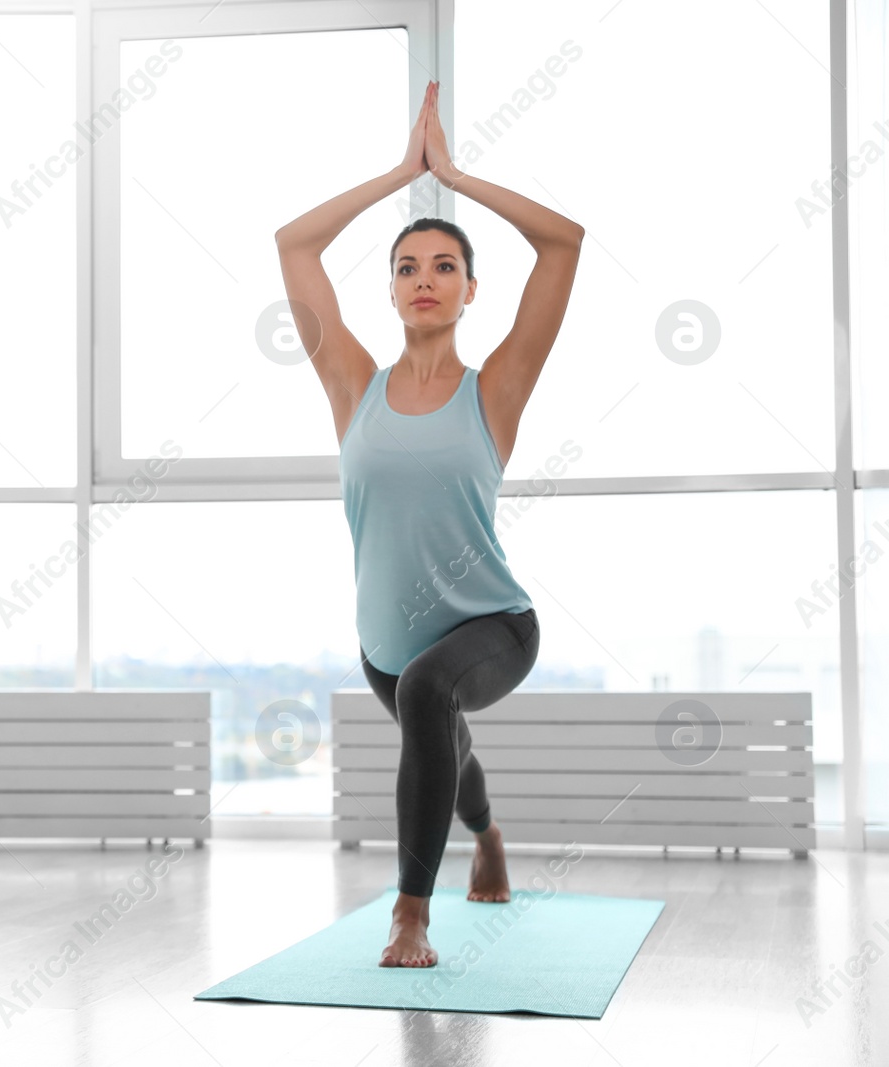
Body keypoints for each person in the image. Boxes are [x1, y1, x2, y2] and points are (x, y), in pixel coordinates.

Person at [273, 80, 584, 968]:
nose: (424, 279)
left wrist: (452, 175)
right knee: (441, 733)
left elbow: (563, 243)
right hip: (388, 644)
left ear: (471, 290)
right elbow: (295, 245)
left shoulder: (498, 388)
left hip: (494, 625)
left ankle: (411, 912)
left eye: (444, 265)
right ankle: (486, 835)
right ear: (391, 289)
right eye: (407, 266)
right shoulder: (351, 386)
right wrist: (397, 176)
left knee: (429, 697)